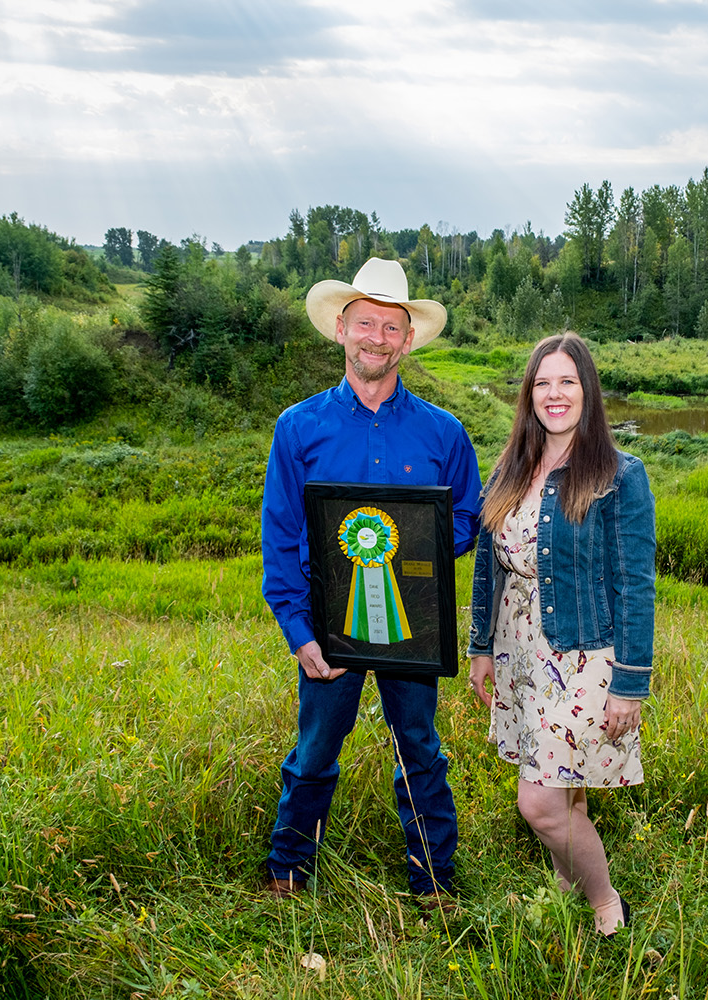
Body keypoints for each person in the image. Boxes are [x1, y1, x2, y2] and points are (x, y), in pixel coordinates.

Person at [261, 257, 482, 905]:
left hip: (413, 623)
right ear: (340, 329)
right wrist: (298, 631)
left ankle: (433, 879)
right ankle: (288, 868)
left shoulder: (445, 432)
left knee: (420, 746)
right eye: (365, 324)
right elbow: (279, 538)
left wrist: (420, 538)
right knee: (316, 747)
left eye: (391, 327)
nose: (376, 338)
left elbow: (466, 516)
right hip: (327, 626)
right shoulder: (297, 428)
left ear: (408, 339)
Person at [467, 332, 655, 936]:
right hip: (518, 654)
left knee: (540, 802)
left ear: (587, 392)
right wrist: (480, 647)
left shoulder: (619, 475)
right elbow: (486, 564)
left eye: (567, 382)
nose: (554, 394)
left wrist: (631, 682)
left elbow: (635, 583)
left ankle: (606, 904)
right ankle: (564, 889)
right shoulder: (511, 468)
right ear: (529, 394)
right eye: (542, 382)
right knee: (560, 789)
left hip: (582, 658)